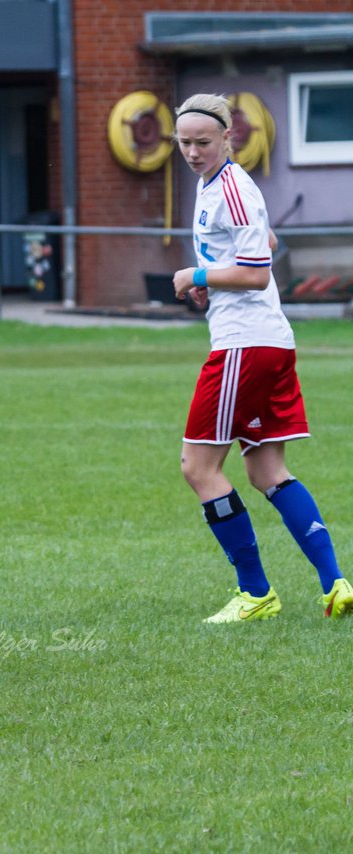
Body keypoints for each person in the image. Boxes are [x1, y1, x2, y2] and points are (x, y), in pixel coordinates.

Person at [171, 93, 350, 623]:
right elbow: (263, 241)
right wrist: (213, 284)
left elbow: (256, 271)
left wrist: (195, 276)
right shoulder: (216, 187)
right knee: (267, 469)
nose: (193, 152)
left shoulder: (231, 186)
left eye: (204, 142)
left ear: (229, 138)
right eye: (184, 142)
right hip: (266, 342)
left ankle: (255, 593)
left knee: (199, 468)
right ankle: (335, 583)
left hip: (243, 347)